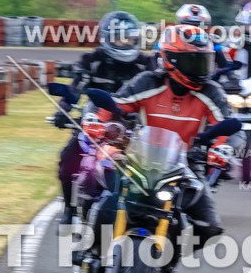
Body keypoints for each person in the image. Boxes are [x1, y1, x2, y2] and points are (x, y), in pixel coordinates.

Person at [84, 24, 241, 249]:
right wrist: (95, 120)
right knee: (105, 195)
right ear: (170, 60)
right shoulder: (148, 82)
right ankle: (91, 250)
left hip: (187, 165)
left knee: (209, 228)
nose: (201, 69)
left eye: (204, 61)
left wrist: (222, 148)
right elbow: (113, 104)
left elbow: (229, 127)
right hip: (139, 159)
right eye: (193, 61)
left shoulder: (211, 92)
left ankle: (166, 260)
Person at [56, 11, 151, 224]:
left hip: (134, 123)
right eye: (119, 37)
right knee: (67, 159)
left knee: (152, 164)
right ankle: (69, 208)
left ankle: (150, 209)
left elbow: (159, 92)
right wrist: (63, 110)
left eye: (130, 37)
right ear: (107, 38)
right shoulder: (92, 60)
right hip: (96, 121)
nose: (125, 42)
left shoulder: (147, 63)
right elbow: (75, 88)